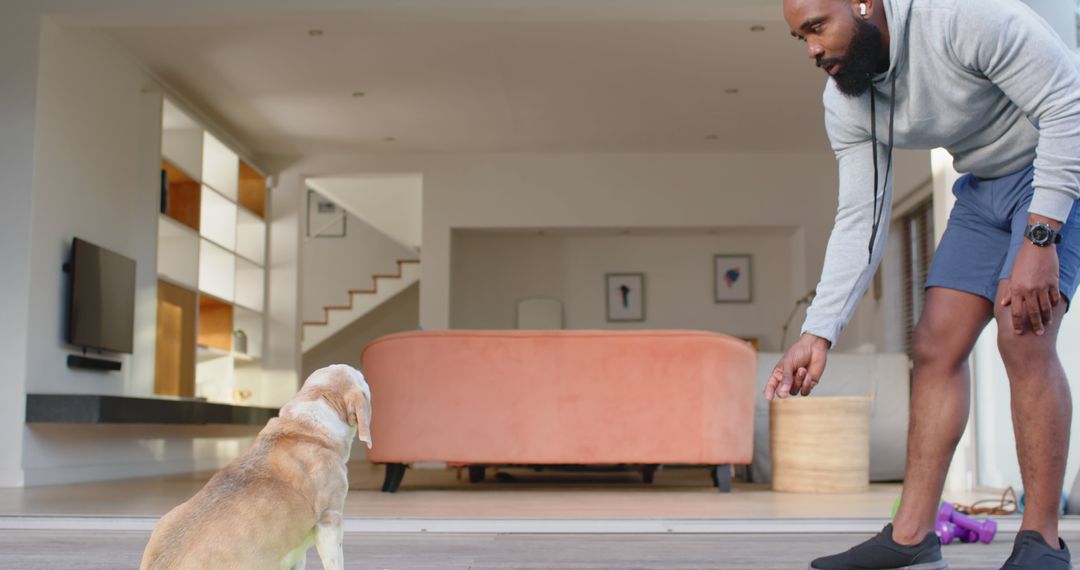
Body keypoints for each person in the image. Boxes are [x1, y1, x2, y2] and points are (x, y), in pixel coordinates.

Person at [765, 0, 1080, 568]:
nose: (812, 50)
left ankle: (1043, 542)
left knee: (1023, 333)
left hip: (1058, 167)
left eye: (817, 28)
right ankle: (911, 536)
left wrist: (1040, 237)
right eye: (800, 39)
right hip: (985, 185)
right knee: (936, 344)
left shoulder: (967, 19)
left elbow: (1068, 106)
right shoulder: (845, 100)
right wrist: (819, 332)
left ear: (862, 5)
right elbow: (860, 216)